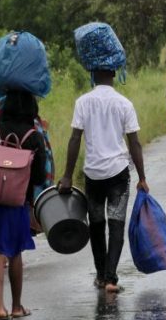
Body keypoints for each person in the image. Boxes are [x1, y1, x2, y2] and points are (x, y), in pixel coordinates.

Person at [58, 69, 148, 293]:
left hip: (93, 174)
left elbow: (74, 139)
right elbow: (134, 143)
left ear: (93, 76)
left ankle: (100, 275)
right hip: (118, 172)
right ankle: (110, 279)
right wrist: (142, 177)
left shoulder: (83, 102)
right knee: (116, 224)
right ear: (113, 74)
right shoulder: (124, 103)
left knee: (97, 225)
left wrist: (68, 175)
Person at [0, 90, 46, 320]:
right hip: (17, 203)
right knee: (14, 252)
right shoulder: (34, 136)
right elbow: (39, 177)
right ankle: (14, 307)